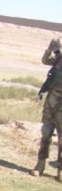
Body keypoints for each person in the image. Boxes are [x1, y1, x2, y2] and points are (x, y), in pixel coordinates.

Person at [30, 38, 62, 182]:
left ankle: (60, 171)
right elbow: (45, 60)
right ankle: (39, 166)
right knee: (46, 132)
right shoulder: (58, 58)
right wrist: (50, 49)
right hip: (52, 98)